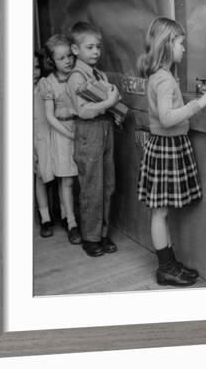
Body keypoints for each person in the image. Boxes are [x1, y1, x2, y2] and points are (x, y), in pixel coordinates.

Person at [137, 17, 206, 287]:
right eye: (181, 43)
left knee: (162, 211)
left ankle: (169, 263)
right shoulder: (164, 80)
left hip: (166, 146)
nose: (184, 48)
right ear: (168, 44)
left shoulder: (162, 76)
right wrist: (198, 104)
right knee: (160, 212)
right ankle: (166, 268)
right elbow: (167, 117)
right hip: (166, 148)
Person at [67, 21, 121, 257]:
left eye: (98, 47)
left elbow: (106, 104)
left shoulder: (98, 73)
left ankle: (103, 233)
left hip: (105, 129)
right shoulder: (76, 78)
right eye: (89, 47)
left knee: (107, 185)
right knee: (91, 186)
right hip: (88, 132)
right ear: (75, 49)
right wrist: (109, 103)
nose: (96, 52)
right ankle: (90, 237)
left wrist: (115, 112)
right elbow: (83, 110)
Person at [38, 34, 81, 245]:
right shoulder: (48, 83)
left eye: (69, 56)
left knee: (83, 178)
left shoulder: (79, 76)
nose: (68, 61)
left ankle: (82, 218)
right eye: (61, 58)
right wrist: (69, 133)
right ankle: (72, 223)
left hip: (81, 127)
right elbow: (49, 116)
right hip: (62, 132)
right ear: (51, 61)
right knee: (67, 179)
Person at [33, 51, 55, 238]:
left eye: (36, 67)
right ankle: (45, 217)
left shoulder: (44, 84)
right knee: (40, 178)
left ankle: (66, 216)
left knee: (61, 177)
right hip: (34, 141)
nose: (33, 72)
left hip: (50, 137)